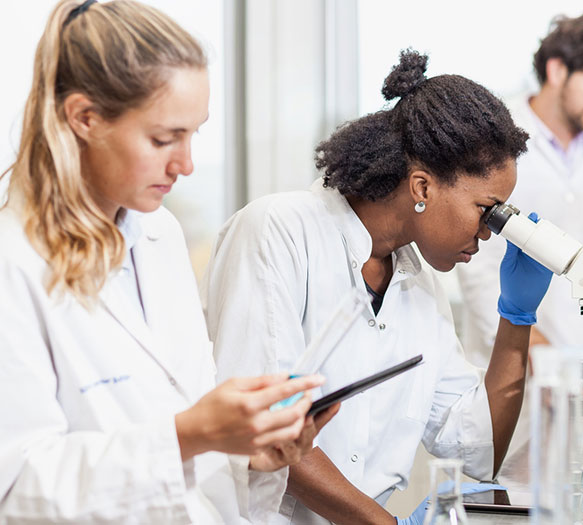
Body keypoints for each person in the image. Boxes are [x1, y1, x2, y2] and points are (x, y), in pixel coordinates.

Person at [0, 1, 335, 523]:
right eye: (163, 138)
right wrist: (190, 433)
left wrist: (250, 455)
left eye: (194, 134)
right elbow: (10, 495)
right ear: (84, 118)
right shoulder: (7, 262)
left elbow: (177, 444)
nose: (186, 164)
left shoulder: (159, 234)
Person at [200, 49, 550, 524]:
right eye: (485, 210)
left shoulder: (417, 282)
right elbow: (269, 429)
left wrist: (516, 319)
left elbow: (476, 451)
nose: (488, 232)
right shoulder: (278, 230)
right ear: (422, 187)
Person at [456, 9, 583, 366]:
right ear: (558, 70)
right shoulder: (497, 138)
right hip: (510, 350)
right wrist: (532, 346)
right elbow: (474, 261)